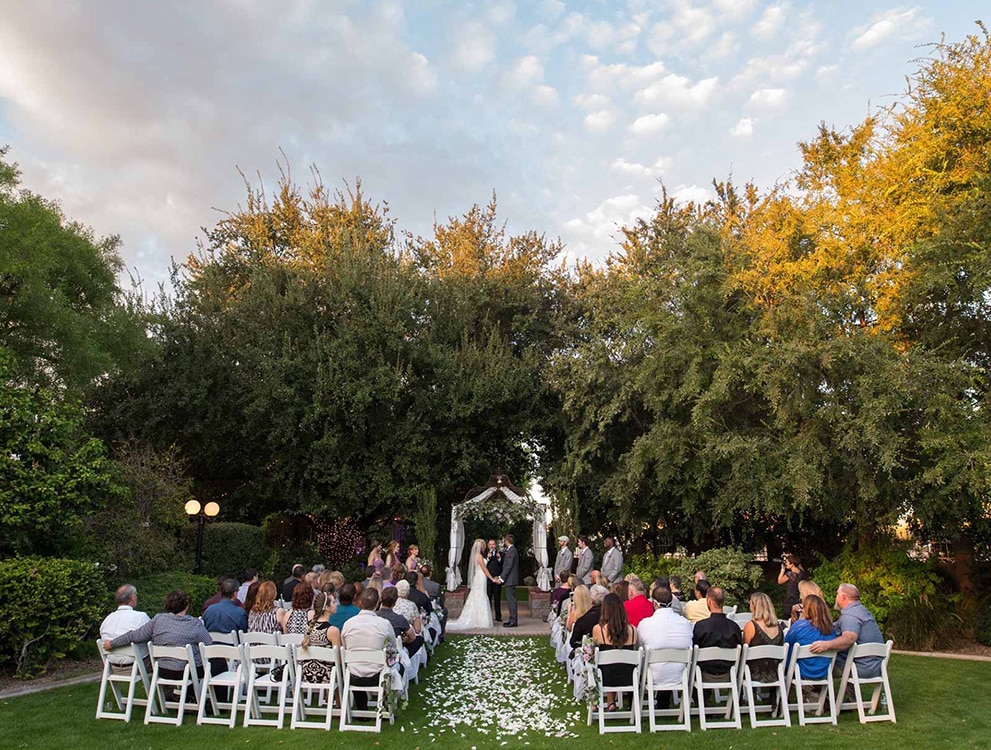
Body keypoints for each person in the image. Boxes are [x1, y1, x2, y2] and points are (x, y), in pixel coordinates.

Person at [104, 590, 220, 682]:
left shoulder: (158, 620)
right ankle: (217, 702)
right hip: (186, 671)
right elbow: (208, 645)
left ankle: (188, 696)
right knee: (218, 662)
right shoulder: (194, 623)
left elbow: (135, 636)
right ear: (186, 606)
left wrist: (112, 643)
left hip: (162, 670)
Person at [341, 588, 398, 711]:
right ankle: (386, 703)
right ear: (378, 604)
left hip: (353, 675)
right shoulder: (384, 624)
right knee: (397, 664)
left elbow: (344, 647)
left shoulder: (348, 624)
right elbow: (394, 648)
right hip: (377, 675)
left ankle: (362, 706)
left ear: (360, 603)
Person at [809, 583, 884, 677]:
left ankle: (810, 689)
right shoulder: (862, 611)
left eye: (837, 594)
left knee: (815, 661)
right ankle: (848, 690)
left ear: (843, 597)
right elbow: (835, 627)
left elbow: (850, 638)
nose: (836, 597)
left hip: (858, 668)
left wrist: (826, 645)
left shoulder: (850, 616)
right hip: (875, 667)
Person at [637, 586, 693, 709]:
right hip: (680, 675)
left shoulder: (645, 624)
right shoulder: (684, 623)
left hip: (653, 675)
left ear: (654, 603)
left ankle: (635, 705)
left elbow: (639, 650)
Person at [592, 593, 638, 712]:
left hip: (606, 677)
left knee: (595, 663)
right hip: (629, 676)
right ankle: (611, 702)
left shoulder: (598, 630)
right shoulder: (633, 630)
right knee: (615, 665)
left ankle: (595, 702)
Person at [692, 586, 743, 679]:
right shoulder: (734, 627)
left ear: (709, 601)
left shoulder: (700, 626)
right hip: (729, 674)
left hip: (703, 674)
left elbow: (694, 651)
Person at [446, 539, 498, 631]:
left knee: (477, 596)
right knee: (480, 596)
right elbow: (484, 569)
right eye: (483, 546)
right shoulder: (480, 556)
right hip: (481, 577)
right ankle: (481, 620)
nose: (484, 548)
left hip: (478, 577)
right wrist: (492, 578)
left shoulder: (475, 556)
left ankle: (477, 618)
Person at [784, 594, 838, 680]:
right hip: (823, 672)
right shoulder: (832, 630)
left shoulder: (801, 626)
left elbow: (786, 643)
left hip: (801, 671)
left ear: (807, 609)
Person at [100, 584, 150, 669]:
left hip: (112, 665)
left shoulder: (107, 619)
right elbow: (151, 636)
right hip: (137, 665)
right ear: (133, 597)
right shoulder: (141, 617)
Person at [299, 590, 342, 684]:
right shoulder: (332, 630)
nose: (336, 604)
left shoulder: (308, 626)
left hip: (307, 673)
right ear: (327, 607)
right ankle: (337, 698)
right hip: (326, 675)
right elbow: (339, 658)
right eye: (334, 602)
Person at [741, 592, 784, 684]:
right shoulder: (779, 627)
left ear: (755, 606)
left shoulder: (751, 626)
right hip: (775, 673)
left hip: (753, 673)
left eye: (751, 603)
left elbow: (744, 650)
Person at [379, 586, 423, 657]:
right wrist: (402, 641)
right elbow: (412, 637)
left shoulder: (374, 616)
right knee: (419, 639)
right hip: (394, 648)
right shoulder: (399, 619)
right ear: (395, 602)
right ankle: (405, 656)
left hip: (378, 645)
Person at [570, 584, 608, 649]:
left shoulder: (584, 620)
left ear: (592, 599)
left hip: (588, 652)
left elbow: (573, 642)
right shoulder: (612, 616)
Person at [777, 554, 808, 619]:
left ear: (792, 564)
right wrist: (790, 556)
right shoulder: (801, 572)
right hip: (799, 599)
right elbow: (799, 564)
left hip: (790, 600)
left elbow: (779, 581)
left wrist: (782, 569)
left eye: (787, 562)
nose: (786, 564)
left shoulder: (790, 574)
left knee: (787, 618)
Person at [498, 533, 520, 627]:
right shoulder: (511, 550)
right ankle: (512, 619)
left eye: (504, 540)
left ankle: (513, 621)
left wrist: (501, 578)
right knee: (511, 600)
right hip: (511, 579)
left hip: (510, 579)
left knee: (511, 600)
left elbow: (508, 566)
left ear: (507, 541)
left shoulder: (512, 551)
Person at [485, 538, 504, 622]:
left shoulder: (500, 554)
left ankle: (498, 616)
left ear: (495, 545)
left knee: (497, 598)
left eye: (493, 544)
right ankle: (488, 616)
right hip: (488, 579)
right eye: (490, 544)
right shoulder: (485, 553)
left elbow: (503, 565)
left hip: (497, 579)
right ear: (488, 545)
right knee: (488, 598)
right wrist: (488, 558)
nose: (492, 546)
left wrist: (499, 558)